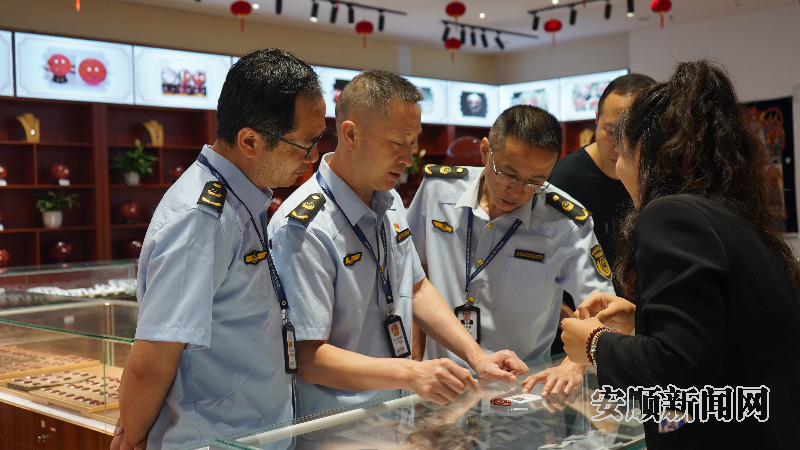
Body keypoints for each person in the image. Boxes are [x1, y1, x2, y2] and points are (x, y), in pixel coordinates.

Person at [537, 60, 800, 448]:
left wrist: (595, 345)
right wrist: (642, 318)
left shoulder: (670, 215)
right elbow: (724, 333)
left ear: (644, 152)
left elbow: (679, 368)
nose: (617, 167)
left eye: (621, 153)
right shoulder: (727, 210)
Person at [268, 70, 528, 421]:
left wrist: (477, 356)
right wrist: (409, 373)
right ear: (351, 134)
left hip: (396, 415)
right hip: (339, 428)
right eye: (397, 143)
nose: (409, 157)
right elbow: (308, 357)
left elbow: (416, 288)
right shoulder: (304, 227)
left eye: (413, 141)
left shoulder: (388, 200)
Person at [113, 48, 326, 449]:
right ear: (250, 141)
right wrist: (133, 438)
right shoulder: (203, 218)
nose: (314, 157)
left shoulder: (243, 201)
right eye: (305, 143)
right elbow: (153, 358)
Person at [406, 105, 615, 394]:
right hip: (441, 383)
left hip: (521, 389)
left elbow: (605, 310)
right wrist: (414, 356)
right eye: (508, 174)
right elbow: (413, 274)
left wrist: (574, 364)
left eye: (534, 182)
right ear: (485, 152)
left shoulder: (565, 222)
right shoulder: (437, 191)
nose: (516, 191)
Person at [547, 73, 655, 353]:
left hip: (644, 328)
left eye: (633, 133)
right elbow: (539, 266)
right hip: (576, 332)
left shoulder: (658, 180)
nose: (620, 145)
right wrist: (577, 325)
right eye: (611, 130)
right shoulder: (562, 181)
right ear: (595, 119)